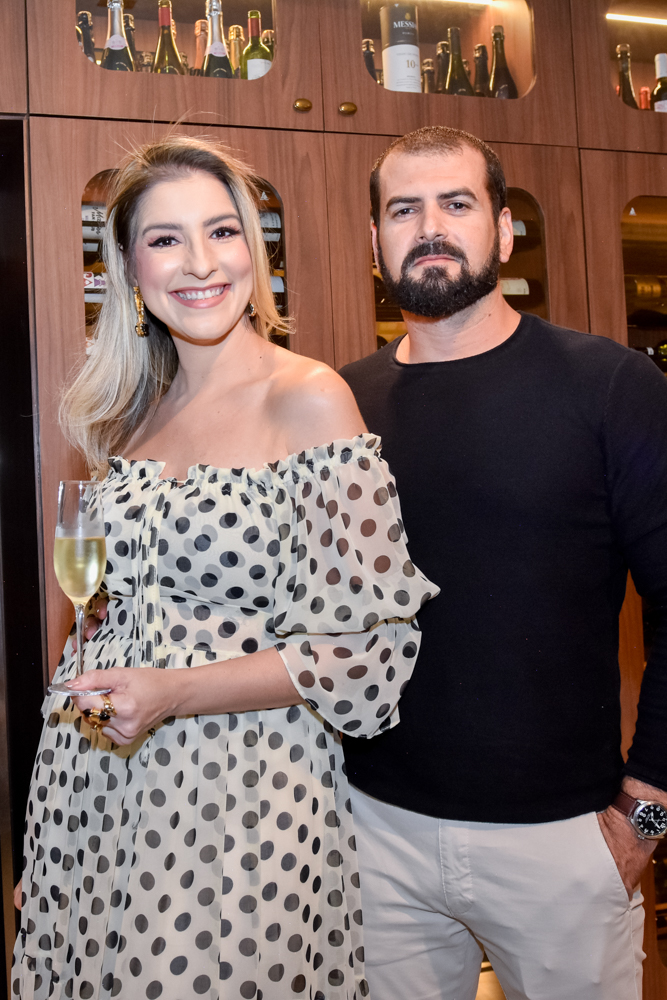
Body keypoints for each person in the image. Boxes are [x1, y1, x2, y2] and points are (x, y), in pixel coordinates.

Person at [13, 135, 436, 1000]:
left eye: (222, 231)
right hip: (98, 778)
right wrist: (57, 831)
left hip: (241, 795)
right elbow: (105, 615)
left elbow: (368, 654)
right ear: (129, 268)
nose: (200, 263)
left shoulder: (308, 397)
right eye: (165, 239)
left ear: (253, 250)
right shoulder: (128, 415)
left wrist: (175, 691)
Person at [338, 125, 667, 1000]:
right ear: (374, 239)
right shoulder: (339, 404)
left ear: (504, 230)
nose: (429, 227)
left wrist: (645, 816)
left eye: (456, 203)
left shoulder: (611, 388)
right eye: (403, 210)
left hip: (564, 844)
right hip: (374, 831)